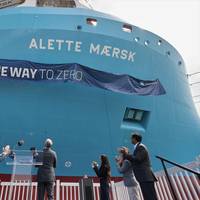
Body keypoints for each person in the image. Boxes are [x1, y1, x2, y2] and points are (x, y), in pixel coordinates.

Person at [123, 133, 158, 200]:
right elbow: (135, 160)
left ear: (135, 139)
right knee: (147, 196)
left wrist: (126, 154)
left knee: (150, 196)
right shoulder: (137, 147)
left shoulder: (141, 147)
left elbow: (138, 159)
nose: (131, 140)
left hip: (146, 176)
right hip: (143, 177)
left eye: (132, 138)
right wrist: (126, 155)